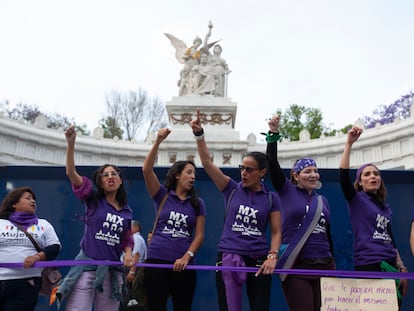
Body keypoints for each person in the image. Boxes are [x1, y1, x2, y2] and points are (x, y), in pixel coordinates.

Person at [190, 109, 282, 311]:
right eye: (242, 168)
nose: (243, 173)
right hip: (229, 256)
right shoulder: (230, 188)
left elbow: (276, 232)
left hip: (258, 259)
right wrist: (199, 134)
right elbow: (207, 162)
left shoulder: (270, 198)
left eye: (249, 169)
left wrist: (272, 256)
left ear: (262, 173)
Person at [56, 125, 134, 311]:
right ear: (99, 182)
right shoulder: (92, 199)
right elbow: (72, 174)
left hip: (111, 272)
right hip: (86, 268)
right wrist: (71, 144)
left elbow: (127, 239)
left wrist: (129, 254)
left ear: (120, 180)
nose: (110, 177)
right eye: (105, 175)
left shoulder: (126, 211)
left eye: (114, 174)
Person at [265, 114, 335, 311]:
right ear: (295, 176)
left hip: (325, 266)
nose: (313, 174)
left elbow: (328, 235)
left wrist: (333, 265)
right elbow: (271, 162)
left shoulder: (323, 201)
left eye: (315, 170)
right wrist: (273, 133)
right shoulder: (287, 191)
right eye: (307, 171)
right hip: (297, 267)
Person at [339, 126, 408, 305]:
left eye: (376, 174)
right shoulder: (357, 199)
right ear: (360, 183)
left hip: (390, 265)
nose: (373, 177)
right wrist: (349, 144)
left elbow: (391, 240)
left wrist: (401, 268)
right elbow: (343, 177)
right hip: (368, 264)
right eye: (367, 174)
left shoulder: (386, 208)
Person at [141, 127, 206, 311]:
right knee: (155, 307)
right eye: (188, 172)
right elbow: (146, 170)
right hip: (157, 260)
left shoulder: (198, 203)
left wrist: (187, 256)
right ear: (177, 175)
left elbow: (199, 236)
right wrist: (158, 141)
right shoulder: (161, 195)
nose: (192, 176)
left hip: (183, 265)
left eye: (194, 173)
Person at [0, 187, 61, 311]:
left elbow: (55, 247)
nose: (33, 201)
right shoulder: (1, 223)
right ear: (14, 204)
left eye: (34, 199)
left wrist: (37, 257)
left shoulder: (43, 224)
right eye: (28, 198)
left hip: (26, 283)